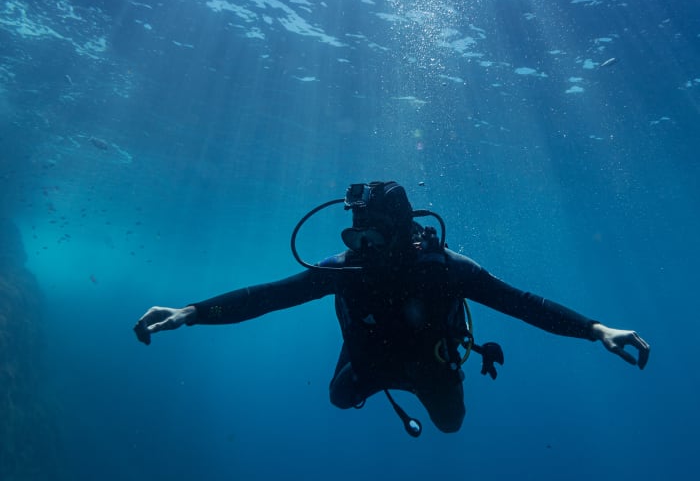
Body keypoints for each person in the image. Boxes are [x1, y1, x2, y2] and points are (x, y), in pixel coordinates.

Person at [134, 181, 650, 435]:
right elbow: (273, 295)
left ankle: (402, 367)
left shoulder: (446, 268)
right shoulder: (345, 267)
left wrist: (596, 329)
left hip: (432, 364)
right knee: (338, 398)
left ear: (402, 232)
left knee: (451, 426)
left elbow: (521, 304)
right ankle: (363, 354)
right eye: (355, 236)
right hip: (373, 360)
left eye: (372, 236)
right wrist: (191, 312)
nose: (361, 248)